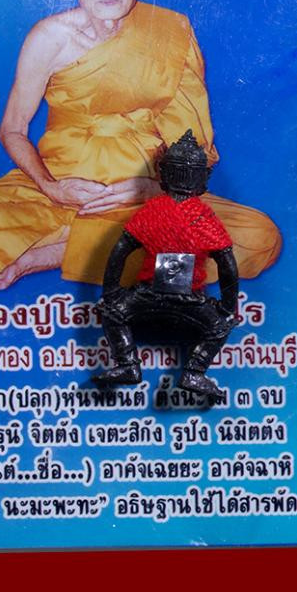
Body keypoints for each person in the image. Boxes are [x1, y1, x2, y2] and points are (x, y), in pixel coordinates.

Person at [0, 0, 281, 291]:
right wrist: (51, 188)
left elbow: (193, 144)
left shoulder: (171, 33)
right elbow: (12, 129)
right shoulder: (49, 38)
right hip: (62, 188)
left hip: (145, 191)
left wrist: (154, 189)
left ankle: (56, 252)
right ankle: (121, 249)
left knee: (261, 238)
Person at [94, 130, 239, 398]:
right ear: (203, 178)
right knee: (221, 325)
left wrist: (111, 292)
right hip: (191, 300)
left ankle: (128, 363)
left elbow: (119, 252)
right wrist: (229, 307)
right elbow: (227, 265)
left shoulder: (153, 211)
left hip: (148, 295)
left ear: (163, 174)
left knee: (113, 312)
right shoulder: (203, 217)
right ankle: (195, 372)